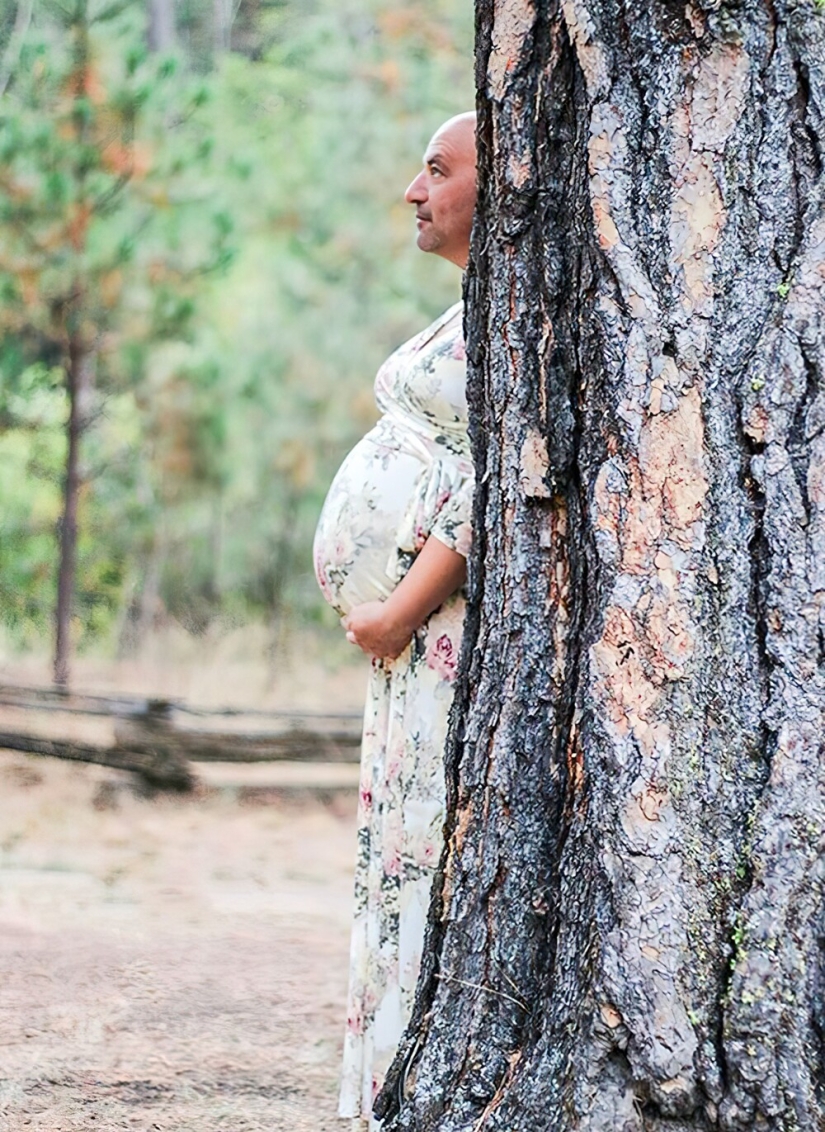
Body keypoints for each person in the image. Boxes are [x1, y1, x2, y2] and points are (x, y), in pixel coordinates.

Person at [313, 111, 477, 1131]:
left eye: (436, 168)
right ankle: (388, 1089)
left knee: (424, 855)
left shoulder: (528, 317)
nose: (414, 191)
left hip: (437, 640)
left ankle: (408, 1090)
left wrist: (398, 611)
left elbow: (497, 479)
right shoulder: (478, 306)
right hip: (413, 646)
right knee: (398, 855)